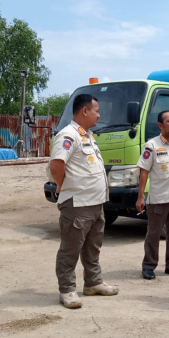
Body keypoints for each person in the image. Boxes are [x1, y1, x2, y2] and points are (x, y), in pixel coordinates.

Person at [50, 94, 119, 309]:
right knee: (70, 249)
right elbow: (57, 164)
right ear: (84, 111)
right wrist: (62, 185)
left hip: (95, 202)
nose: (99, 115)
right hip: (77, 203)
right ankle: (67, 289)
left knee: (92, 247)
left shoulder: (87, 136)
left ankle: (93, 282)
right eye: (96, 110)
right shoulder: (68, 135)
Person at [135, 111, 169, 280]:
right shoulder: (151, 145)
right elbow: (144, 172)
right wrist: (140, 197)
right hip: (159, 198)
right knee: (154, 233)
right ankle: (149, 266)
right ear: (160, 125)